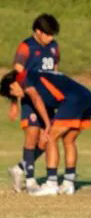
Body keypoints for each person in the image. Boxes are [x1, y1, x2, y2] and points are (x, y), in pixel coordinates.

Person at [1, 69, 91, 196]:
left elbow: (37, 99)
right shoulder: (37, 74)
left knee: (50, 137)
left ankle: (51, 184)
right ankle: (68, 183)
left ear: (12, 84)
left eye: (12, 93)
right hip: (88, 97)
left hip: (72, 101)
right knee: (69, 140)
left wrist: (47, 124)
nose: (16, 96)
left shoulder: (24, 80)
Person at [7, 13, 61, 193]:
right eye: (48, 34)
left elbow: (55, 72)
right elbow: (15, 76)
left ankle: (19, 169)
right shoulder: (25, 47)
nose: (51, 38)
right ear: (38, 32)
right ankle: (30, 181)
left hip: (47, 100)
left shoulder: (54, 47)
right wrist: (14, 103)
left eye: (53, 34)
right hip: (30, 98)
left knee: (45, 141)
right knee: (31, 136)